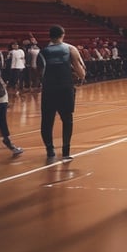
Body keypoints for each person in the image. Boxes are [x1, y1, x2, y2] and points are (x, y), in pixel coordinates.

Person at [36, 25, 86, 162]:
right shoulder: (70, 49)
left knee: (47, 121)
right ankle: (65, 152)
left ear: (49, 36)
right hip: (65, 89)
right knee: (67, 120)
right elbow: (80, 72)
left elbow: (39, 72)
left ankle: (50, 150)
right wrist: (80, 77)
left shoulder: (42, 52)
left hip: (49, 90)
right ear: (63, 34)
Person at [0, 75, 23, 156]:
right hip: (1, 98)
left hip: (2, 97)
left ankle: (8, 141)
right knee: (2, 122)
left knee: (2, 122)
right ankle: (8, 142)